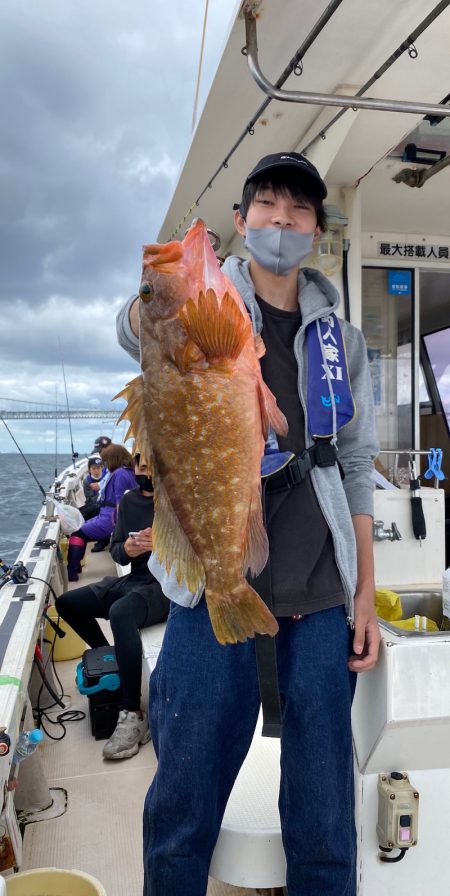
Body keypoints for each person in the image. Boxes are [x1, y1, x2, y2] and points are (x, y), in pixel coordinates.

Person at [117, 152, 381, 896]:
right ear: (242, 221)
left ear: (317, 232)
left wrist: (364, 591)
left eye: (299, 210)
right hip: (212, 584)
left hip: (319, 591)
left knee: (325, 815)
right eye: (267, 204)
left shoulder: (342, 342)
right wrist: (152, 300)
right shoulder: (209, 310)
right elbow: (132, 329)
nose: (281, 220)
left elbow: (355, 463)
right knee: (183, 800)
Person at [56, 455, 169, 759]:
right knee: (68, 603)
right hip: (137, 579)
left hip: (167, 587)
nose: (147, 473)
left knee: (121, 612)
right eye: (141, 467)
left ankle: (133, 713)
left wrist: (162, 545)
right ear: (135, 469)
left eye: (153, 467)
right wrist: (128, 549)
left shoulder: (178, 500)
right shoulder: (129, 501)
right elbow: (117, 551)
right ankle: (117, 659)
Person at [67, 443, 137, 581]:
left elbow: (120, 502)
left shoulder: (120, 475)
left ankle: (72, 572)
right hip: (106, 516)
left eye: (105, 461)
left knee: (77, 534)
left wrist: (119, 529)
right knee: (80, 528)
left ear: (112, 459)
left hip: (109, 519)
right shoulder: (127, 472)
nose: (104, 465)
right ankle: (76, 568)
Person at [80, 455, 104, 520]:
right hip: (92, 504)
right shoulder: (87, 481)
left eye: (98, 468)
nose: (96, 471)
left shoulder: (106, 478)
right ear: (89, 470)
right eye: (93, 468)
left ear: (102, 468)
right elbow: (90, 499)